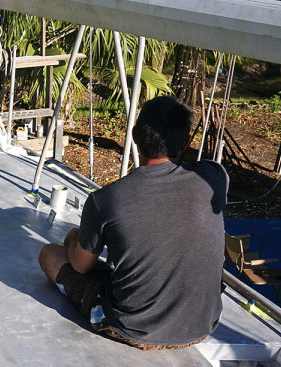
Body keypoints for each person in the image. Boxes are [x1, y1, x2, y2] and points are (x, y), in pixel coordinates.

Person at [38, 96, 227, 350]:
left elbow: (81, 267)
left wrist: (73, 237)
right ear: (184, 143)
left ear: (135, 136)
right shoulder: (215, 177)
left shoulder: (105, 200)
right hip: (202, 327)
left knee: (50, 255)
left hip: (132, 328)